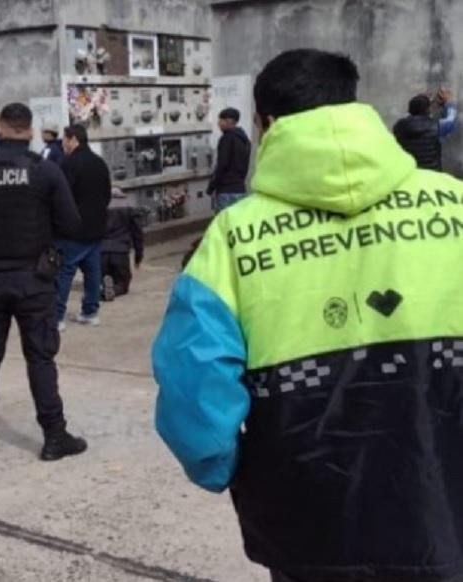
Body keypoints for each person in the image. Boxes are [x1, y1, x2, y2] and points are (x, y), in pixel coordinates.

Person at [153, 48, 463, 582]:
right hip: (448, 504)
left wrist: (224, 467)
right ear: (352, 104)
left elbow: (193, 388)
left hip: (307, 520)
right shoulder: (455, 205)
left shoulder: (232, 237)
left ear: (266, 121)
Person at [0, 102, 87, 460]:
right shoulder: (44, 172)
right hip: (32, 279)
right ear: (30, 130)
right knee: (40, 359)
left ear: (0, 130)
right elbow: (72, 224)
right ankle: (54, 436)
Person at [56, 124, 111, 330]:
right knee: (93, 271)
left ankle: (57, 316)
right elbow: (106, 194)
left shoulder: (69, 164)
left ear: (73, 139)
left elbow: (62, 197)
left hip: (73, 230)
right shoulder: (99, 163)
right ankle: (90, 312)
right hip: (96, 227)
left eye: (64, 141)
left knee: (64, 272)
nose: (63, 145)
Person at [393, 89, 458, 171]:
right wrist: (449, 103)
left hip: (409, 174)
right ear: (428, 110)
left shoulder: (399, 126)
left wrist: (419, 102)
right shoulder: (436, 126)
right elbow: (450, 121)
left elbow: (410, 116)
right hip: (431, 175)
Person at [100, 187, 144, 301]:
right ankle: (113, 290)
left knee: (101, 279)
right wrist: (138, 257)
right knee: (123, 283)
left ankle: (104, 288)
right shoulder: (129, 207)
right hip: (120, 251)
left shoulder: (99, 205)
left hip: (102, 252)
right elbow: (138, 233)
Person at [207, 108, 251, 212]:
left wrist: (211, 187)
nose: (218, 123)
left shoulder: (227, 138)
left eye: (220, 120)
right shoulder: (246, 140)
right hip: (241, 190)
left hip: (226, 192)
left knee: (224, 225)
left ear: (229, 121)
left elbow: (222, 165)